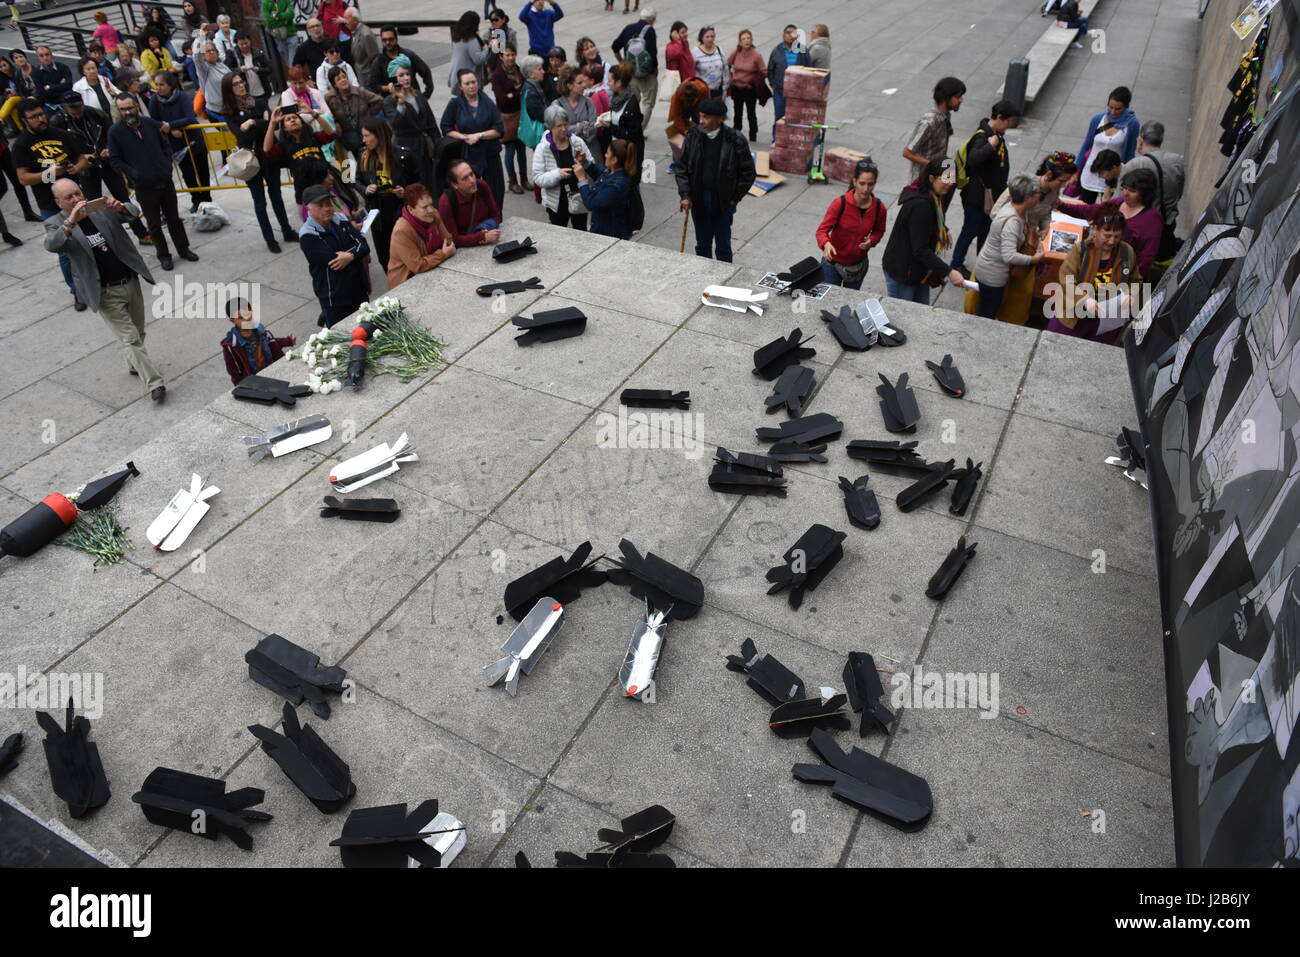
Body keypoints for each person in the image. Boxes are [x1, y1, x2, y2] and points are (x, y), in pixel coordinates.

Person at [45, 181, 166, 399]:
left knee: (138, 331)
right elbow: (52, 244)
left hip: (129, 280)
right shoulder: (56, 223)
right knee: (129, 338)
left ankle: (134, 364)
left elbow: (134, 213)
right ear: (58, 202)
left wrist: (119, 207)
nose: (75, 200)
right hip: (104, 292)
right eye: (68, 197)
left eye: (77, 193)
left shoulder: (100, 209)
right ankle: (155, 384)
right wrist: (71, 222)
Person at [107, 92, 198, 271]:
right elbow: (115, 160)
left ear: (137, 107)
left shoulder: (149, 124)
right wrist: (134, 173)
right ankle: (164, 256)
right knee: (154, 224)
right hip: (144, 187)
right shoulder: (115, 132)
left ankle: (184, 249)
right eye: (123, 109)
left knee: (174, 219)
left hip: (165, 181)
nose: (127, 112)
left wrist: (167, 163)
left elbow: (165, 144)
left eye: (130, 108)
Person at [14, 97, 91, 305]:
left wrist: (77, 167)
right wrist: (48, 173)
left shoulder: (60, 134)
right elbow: (22, 178)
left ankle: (96, 279)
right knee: (65, 250)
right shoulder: (21, 145)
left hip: (77, 199)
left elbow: (82, 158)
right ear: (24, 120)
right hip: (50, 206)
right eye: (34, 117)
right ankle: (76, 291)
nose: (41, 119)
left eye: (41, 114)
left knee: (92, 237)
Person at [1046, 201, 1139, 345]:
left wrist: (1131, 294)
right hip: (1072, 317)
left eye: (1117, 236)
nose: (1112, 241)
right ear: (1095, 229)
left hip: (1105, 322)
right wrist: (1085, 300)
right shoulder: (1081, 250)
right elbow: (1066, 281)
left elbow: (1135, 280)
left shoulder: (1127, 252)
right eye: (1107, 235)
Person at [222, 71, 295, 252]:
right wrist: (261, 122)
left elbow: (274, 124)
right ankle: (269, 239)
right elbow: (241, 135)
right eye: (236, 84)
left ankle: (286, 230)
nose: (241, 86)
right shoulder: (228, 111)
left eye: (242, 82)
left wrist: (253, 123)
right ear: (228, 89)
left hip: (269, 156)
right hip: (250, 160)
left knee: (276, 195)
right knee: (260, 202)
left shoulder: (260, 102)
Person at [675, 97, 755, 262]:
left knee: (723, 245)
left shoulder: (735, 139)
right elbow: (682, 167)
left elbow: (748, 173)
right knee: (702, 244)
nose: (701, 121)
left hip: (724, 201)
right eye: (700, 116)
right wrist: (685, 195)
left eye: (706, 117)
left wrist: (734, 198)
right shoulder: (693, 135)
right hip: (699, 198)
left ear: (720, 118)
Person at [880, 157, 965, 304]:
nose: (950, 184)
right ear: (932, 178)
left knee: (921, 311)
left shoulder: (932, 195)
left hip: (918, 272)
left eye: (952, 180)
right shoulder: (921, 206)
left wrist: (942, 229)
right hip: (904, 273)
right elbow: (920, 250)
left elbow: (930, 221)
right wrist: (949, 272)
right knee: (905, 316)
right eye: (946, 179)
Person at [951, 98, 1019, 276]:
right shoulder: (983, 136)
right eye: (1009, 121)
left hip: (991, 196)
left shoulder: (996, 134)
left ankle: (981, 264)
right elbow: (974, 160)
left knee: (985, 231)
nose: (1009, 125)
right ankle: (956, 264)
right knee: (970, 230)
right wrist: (991, 146)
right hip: (976, 196)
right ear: (999, 117)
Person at [1057, 166, 1163, 277]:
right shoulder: (1118, 203)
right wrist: (1061, 205)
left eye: (1132, 191)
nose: (1126, 193)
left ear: (1145, 193)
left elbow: (1146, 259)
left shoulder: (1152, 220)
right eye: (1125, 188)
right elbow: (1090, 211)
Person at [299, 183, 369, 327]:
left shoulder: (341, 219)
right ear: (309, 209)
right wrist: (354, 252)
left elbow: (364, 246)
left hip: (358, 289)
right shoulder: (308, 236)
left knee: (368, 328)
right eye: (320, 205)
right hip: (335, 298)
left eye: (328, 203)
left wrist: (349, 256)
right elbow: (335, 261)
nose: (327, 208)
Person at [974, 174, 1044, 319]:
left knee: (986, 310)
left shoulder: (1013, 209)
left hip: (990, 269)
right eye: (1037, 193)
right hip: (992, 275)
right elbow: (1009, 256)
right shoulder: (1012, 222)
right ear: (1027, 198)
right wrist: (1034, 259)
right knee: (987, 314)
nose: (1039, 195)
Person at [816, 159, 887, 290]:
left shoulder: (879, 208)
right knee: (829, 300)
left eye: (870, 184)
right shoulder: (840, 203)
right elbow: (822, 231)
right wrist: (826, 243)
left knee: (848, 303)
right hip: (833, 264)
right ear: (854, 182)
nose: (866, 189)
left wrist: (871, 241)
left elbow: (879, 231)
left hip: (858, 266)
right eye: (862, 183)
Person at [357, 117, 417, 270]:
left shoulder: (403, 156)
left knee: (406, 251)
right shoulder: (363, 156)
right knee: (385, 256)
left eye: (366, 136)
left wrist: (406, 192)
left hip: (399, 210)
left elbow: (420, 181)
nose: (363, 140)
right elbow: (353, 180)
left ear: (379, 135)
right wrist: (364, 189)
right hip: (377, 213)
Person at [442, 67, 505, 210]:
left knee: (496, 193)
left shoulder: (487, 102)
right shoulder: (455, 104)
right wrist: (464, 137)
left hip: (490, 154)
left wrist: (480, 135)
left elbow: (499, 129)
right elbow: (446, 128)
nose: (471, 86)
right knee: (470, 193)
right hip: (468, 156)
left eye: (474, 82)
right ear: (460, 86)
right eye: (467, 83)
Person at [148, 71, 211, 210]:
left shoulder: (182, 96)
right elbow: (154, 121)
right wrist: (170, 130)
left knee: (203, 172)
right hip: (177, 146)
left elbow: (190, 117)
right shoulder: (154, 101)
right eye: (156, 84)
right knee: (188, 175)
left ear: (170, 85)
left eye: (162, 84)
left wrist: (171, 125)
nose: (158, 87)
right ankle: (196, 200)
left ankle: (207, 200)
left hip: (195, 141)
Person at [1124, 119, 1184, 253]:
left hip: (1139, 225)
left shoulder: (1133, 165)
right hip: (1167, 221)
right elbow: (1179, 192)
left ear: (1140, 139)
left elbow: (1123, 200)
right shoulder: (1177, 161)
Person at [262, 102, 337, 210]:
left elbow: (330, 134)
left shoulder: (314, 138)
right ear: (285, 128)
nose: (292, 120)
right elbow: (267, 150)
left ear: (302, 122)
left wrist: (313, 113)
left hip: (325, 187)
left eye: (295, 118)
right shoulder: (284, 146)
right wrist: (272, 123)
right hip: (305, 192)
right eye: (288, 119)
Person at [387, 182, 456, 289]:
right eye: (424, 207)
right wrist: (443, 254)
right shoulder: (401, 230)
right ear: (411, 209)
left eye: (431, 205)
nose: (430, 210)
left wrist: (440, 254)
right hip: (406, 283)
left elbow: (448, 242)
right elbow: (418, 265)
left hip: (433, 271)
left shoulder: (434, 214)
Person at [532, 105, 589, 231]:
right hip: (556, 202)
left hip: (579, 195)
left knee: (582, 232)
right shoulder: (542, 148)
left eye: (565, 124)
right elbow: (537, 178)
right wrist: (557, 174)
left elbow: (591, 164)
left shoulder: (577, 142)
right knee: (558, 233)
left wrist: (584, 162)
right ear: (549, 126)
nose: (563, 129)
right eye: (559, 126)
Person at [1077, 86, 1139, 199]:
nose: (1113, 112)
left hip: (1112, 175)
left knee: (1106, 210)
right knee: (1084, 206)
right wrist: (1076, 170)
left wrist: (1125, 177)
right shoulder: (1097, 119)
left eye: (1118, 109)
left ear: (1126, 107)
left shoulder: (1132, 124)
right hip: (1091, 170)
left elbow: (1130, 153)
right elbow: (1086, 145)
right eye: (1110, 107)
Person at [384, 61, 440, 185]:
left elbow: (431, 124)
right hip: (406, 148)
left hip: (423, 146)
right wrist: (401, 103)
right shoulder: (390, 102)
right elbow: (395, 124)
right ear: (394, 79)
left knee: (430, 181)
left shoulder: (418, 95)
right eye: (401, 75)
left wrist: (438, 144)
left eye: (408, 74)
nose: (406, 78)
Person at [903, 75, 964, 188]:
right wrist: (933, 166)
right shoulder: (929, 122)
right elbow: (907, 152)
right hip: (922, 183)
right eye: (958, 96)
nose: (961, 100)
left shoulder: (945, 116)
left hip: (938, 178)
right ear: (946, 98)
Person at [221, 296, 295, 384]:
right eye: (241, 317)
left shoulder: (261, 331)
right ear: (232, 320)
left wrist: (287, 341)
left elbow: (272, 342)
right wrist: (241, 387)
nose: (247, 319)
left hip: (272, 373)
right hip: (254, 383)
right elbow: (233, 371)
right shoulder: (231, 345)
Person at [576, 137, 635, 239]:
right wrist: (585, 162)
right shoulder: (613, 172)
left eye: (607, 153)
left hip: (609, 235)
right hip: (604, 229)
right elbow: (600, 174)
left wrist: (582, 179)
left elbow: (592, 203)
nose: (605, 155)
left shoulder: (617, 185)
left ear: (614, 160)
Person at [491, 44, 530, 193]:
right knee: (510, 150)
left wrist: (513, 93)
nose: (511, 58)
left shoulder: (518, 70)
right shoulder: (497, 75)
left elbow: (524, 89)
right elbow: (503, 99)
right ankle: (512, 181)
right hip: (506, 117)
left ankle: (524, 179)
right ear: (501, 56)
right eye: (507, 55)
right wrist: (516, 93)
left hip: (520, 114)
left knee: (521, 149)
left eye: (512, 54)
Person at [325, 65, 382, 162]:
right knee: (360, 160)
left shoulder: (360, 91)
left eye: (344, 77)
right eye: (339, 79)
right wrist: (336, 122)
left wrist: (370, 114)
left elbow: (379, 101)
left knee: (374, 158)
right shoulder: (329, 98)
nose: (343, 80)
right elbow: (329, 113)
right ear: (334, 84)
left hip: (366, 131)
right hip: (349, 136)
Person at [369, 25, 434, 98]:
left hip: (412, 97)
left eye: (391, 39)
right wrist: (388, 88)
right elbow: (373, 85)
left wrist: (426, 94)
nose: (387, 42)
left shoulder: (408, 55)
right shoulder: (378, 61)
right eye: (384, 40)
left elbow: (425, 71)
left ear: (396, 39)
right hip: (392, 102)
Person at [766, 24, 806, 138]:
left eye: (793, 33)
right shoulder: (777, 50)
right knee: (779, 117)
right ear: (783, 35)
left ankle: (793, 139)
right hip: (780, 91)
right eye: (788, 32)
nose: (790, 35)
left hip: (797, 92)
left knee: (795, 117)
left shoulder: (803, 51)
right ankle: (777, 139)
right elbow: (770, 69)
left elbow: (808, 68)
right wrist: (774, 85)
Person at [726, 30, 765, 142]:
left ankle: (753, 135)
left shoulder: (757, 55)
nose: (746, 41)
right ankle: (737, 134)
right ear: (740, 42)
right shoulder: (736, 52)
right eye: (743, 39)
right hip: (737, 88)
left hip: (749, 89)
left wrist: (753, 81)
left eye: (748, 38)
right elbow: (727, 64)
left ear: (752, 40)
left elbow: (764, 71)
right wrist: (731, 78)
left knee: (751, 113)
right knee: (737, 112)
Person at [665, 73, 707, 169]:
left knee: (702, 131)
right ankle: (676, 164)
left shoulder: (703, 89)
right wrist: (685, 131)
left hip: (699, 108)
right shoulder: (678, 94)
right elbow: (677, 117)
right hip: (681, 108)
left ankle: (700, 161)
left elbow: (705, 111)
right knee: (676, 134)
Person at [549, 63, 597, 147]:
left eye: (584, 82)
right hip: (567, 149)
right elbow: (557, 130)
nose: (584, 85)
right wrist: (581, 126)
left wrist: (571, 128)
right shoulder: (557, 105)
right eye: (580, 83)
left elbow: (593, 128)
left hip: (591, 149)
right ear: (569, 85)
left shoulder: (588, 102)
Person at [225, 33, 271, 100]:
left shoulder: (258, 52)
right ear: (237, 43)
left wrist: (259, 70)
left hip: (262, 91)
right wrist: (239, 70)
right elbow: (227, 71)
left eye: (246, 43)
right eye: (241, 44)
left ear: (250, 41)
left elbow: (269, 68)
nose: (244, 46)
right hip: (245, 94)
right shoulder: (232, 54)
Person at [449, 11, 488, 89]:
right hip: (469, 80)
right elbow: (478, 59)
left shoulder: (457, 36)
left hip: (457, 77)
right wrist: (488, 48)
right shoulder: (471, 40)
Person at [193, 40, 231, 121]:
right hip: (217, 111)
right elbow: (196, 57)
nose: (212, 52)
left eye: (213, 49)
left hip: (230, 106)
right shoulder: (204, 70)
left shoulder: (221, 65)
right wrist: (201, 36)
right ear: (203, 56)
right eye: (208, 51)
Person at [33, 45, 73, 111]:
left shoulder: (63, 67)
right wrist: (60, 85)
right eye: (41, 56)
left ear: (51, 55)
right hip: (49, 105)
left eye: (47, 55)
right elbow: (41, 92)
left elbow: (68, 86)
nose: (45, 58)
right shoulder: (36, 72)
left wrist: (49, 87)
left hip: (65, 102)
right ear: (38, 57)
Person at [262, 0, 299, 71]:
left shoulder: (286, 1)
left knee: (292, 59)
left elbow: (291, 15)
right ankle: (294, 76)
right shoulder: (266, 3)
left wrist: (278, 16)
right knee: (286, 57)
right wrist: (284, 19)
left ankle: (293, 75)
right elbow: (269, 22)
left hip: (290, 33)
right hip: (278, 36)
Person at [345, 7, 379, 83]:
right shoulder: (355, 32)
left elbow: (374, 58)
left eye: (347, 18)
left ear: (355, 20)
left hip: (368, 78)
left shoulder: (366, 35)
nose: (345, 22)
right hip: (361, 76)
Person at [691, 27, 725, 98]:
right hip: (702, 91)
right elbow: (691, 70)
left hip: (717, 91)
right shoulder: (695, 52)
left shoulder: (719, 50)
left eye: (712, 36)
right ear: (702, 38)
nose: (710, 39)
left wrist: (725, 86)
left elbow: (725, 68)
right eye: (707, 37)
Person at [484, 9, 518, 75]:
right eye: (491, 20)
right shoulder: (487, 35)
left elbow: (514, 50)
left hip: (508, 68)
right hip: (493, 70)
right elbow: (484, 55)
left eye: (496, 20)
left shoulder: (510, 33)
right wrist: (488, 45)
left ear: (503, 20)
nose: (493, 22)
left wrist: (501, 45)